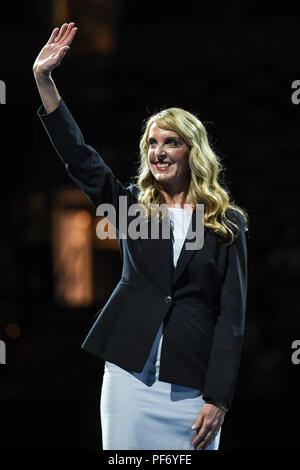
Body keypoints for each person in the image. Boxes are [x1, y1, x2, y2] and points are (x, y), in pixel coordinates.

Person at [33, 22, 248, 451]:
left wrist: (218, 398)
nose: (159, 152)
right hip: (129, 382)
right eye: (152, 143)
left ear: (193, 151)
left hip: (191, 390)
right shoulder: (133, 210)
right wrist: (44, 80)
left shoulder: (227, 221)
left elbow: (232, 319)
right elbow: (80, 158)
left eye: (171, 142)